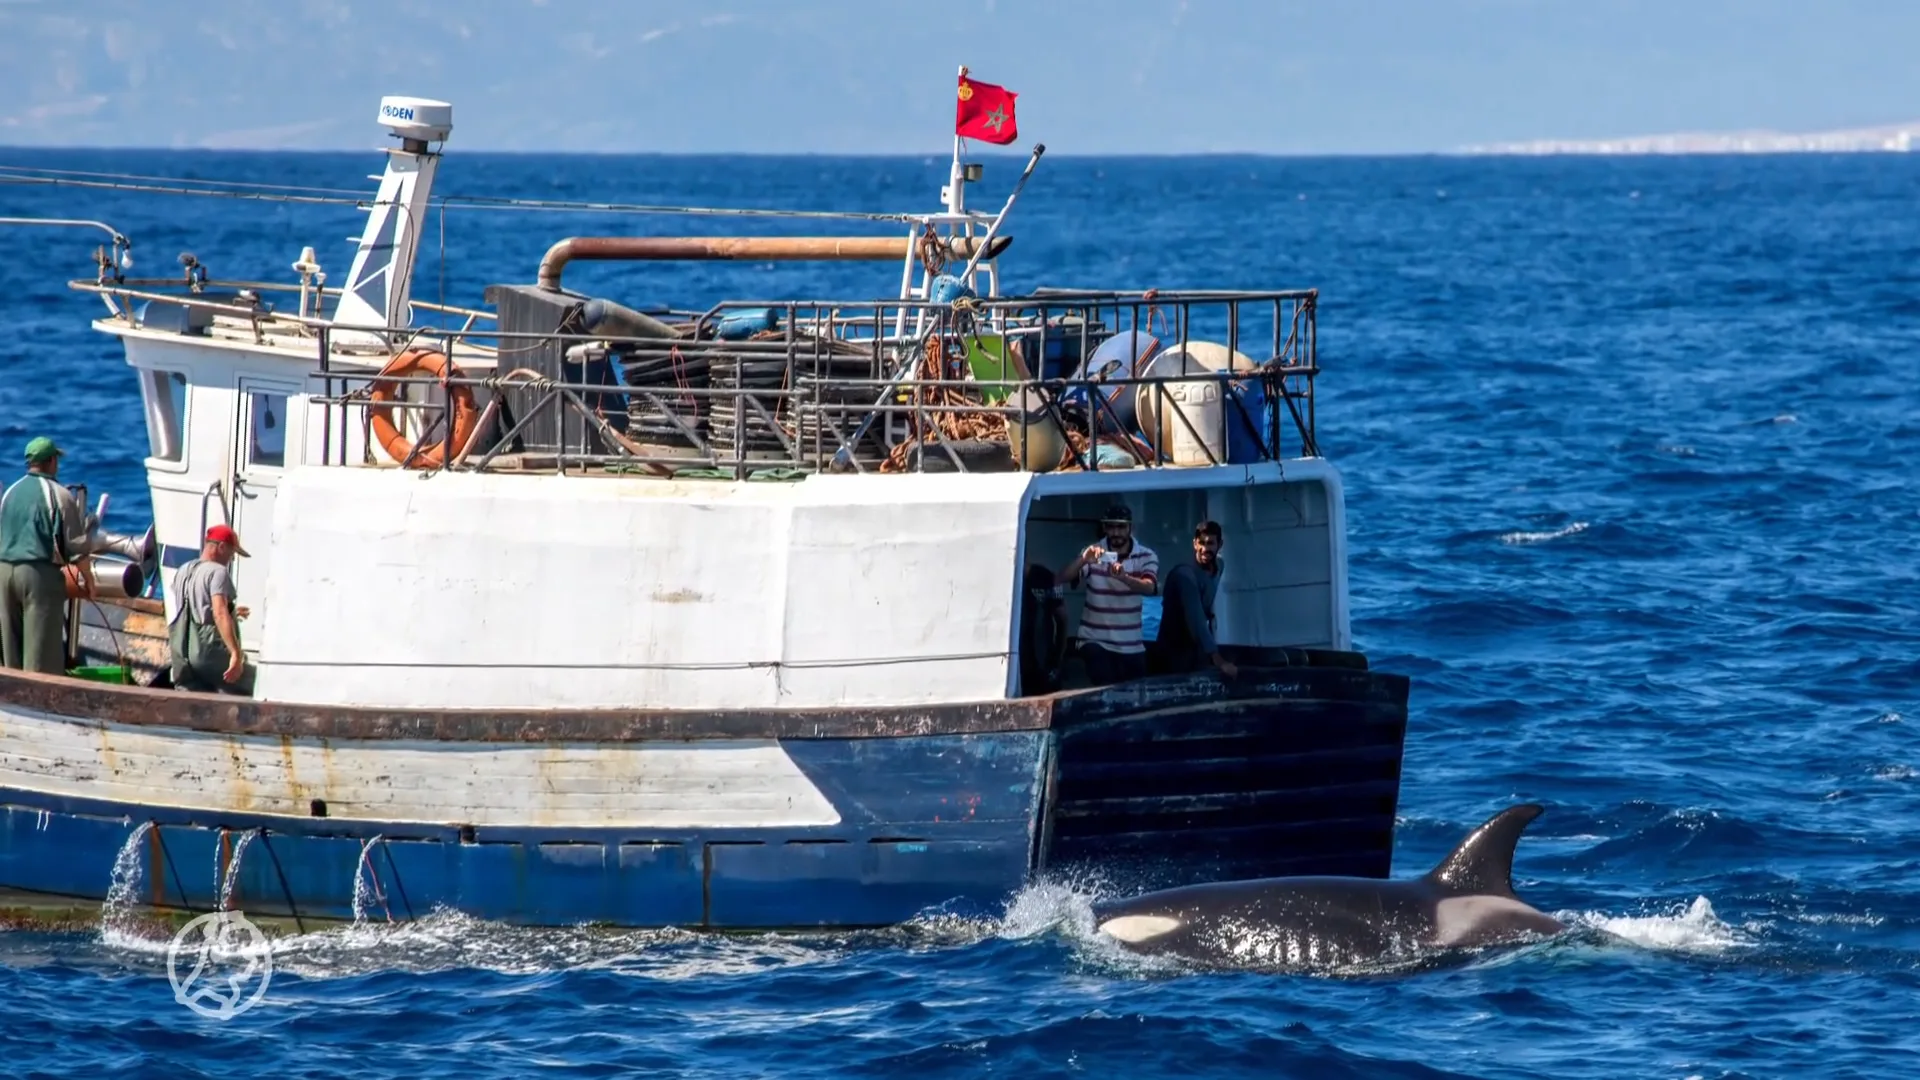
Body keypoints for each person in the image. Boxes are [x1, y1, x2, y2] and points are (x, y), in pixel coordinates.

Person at [0, 437, 78, 674]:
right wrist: (88, 579)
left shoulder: (10, 493)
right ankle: (39, 703)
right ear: (52, 461)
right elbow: (76, 546)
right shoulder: (60, 495)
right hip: (37, 575)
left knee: (9, 646)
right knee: (40, 653)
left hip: (3, 573)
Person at [1059, 502, 1158, 685]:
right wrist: (1083, 560)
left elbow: (1149, 587)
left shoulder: (1146, 556)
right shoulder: (1093, 553)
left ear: (1130, 528)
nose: (1116, 532)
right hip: (1095, 640)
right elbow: (1062, 578)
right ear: (1104, 527)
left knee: (1136, 697)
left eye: (1121, 526)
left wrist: (1124, 578)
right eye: (1111, 526)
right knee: (1103, 682)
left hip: (1131, 644)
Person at [169, 524, 255, 694]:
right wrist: (235, 655)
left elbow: (191, 608)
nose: (232, 559)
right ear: (221, 547)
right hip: (205, 655)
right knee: (255, 684)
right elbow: (219, 613)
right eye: (232, 553)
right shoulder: (218, 572)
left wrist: (233, 613)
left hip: (180, 655)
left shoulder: (183, 570)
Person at [1150, 520, 1238, 679]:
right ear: (1194, 544)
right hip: (1172, 652)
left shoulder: (1219, 566)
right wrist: (1218, 660)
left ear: (1220, 544)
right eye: (1201, 543)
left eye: (1210, 543)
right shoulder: (1184, 575)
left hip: (1195, 649)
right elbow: (1196, 617)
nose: (1205, 549)